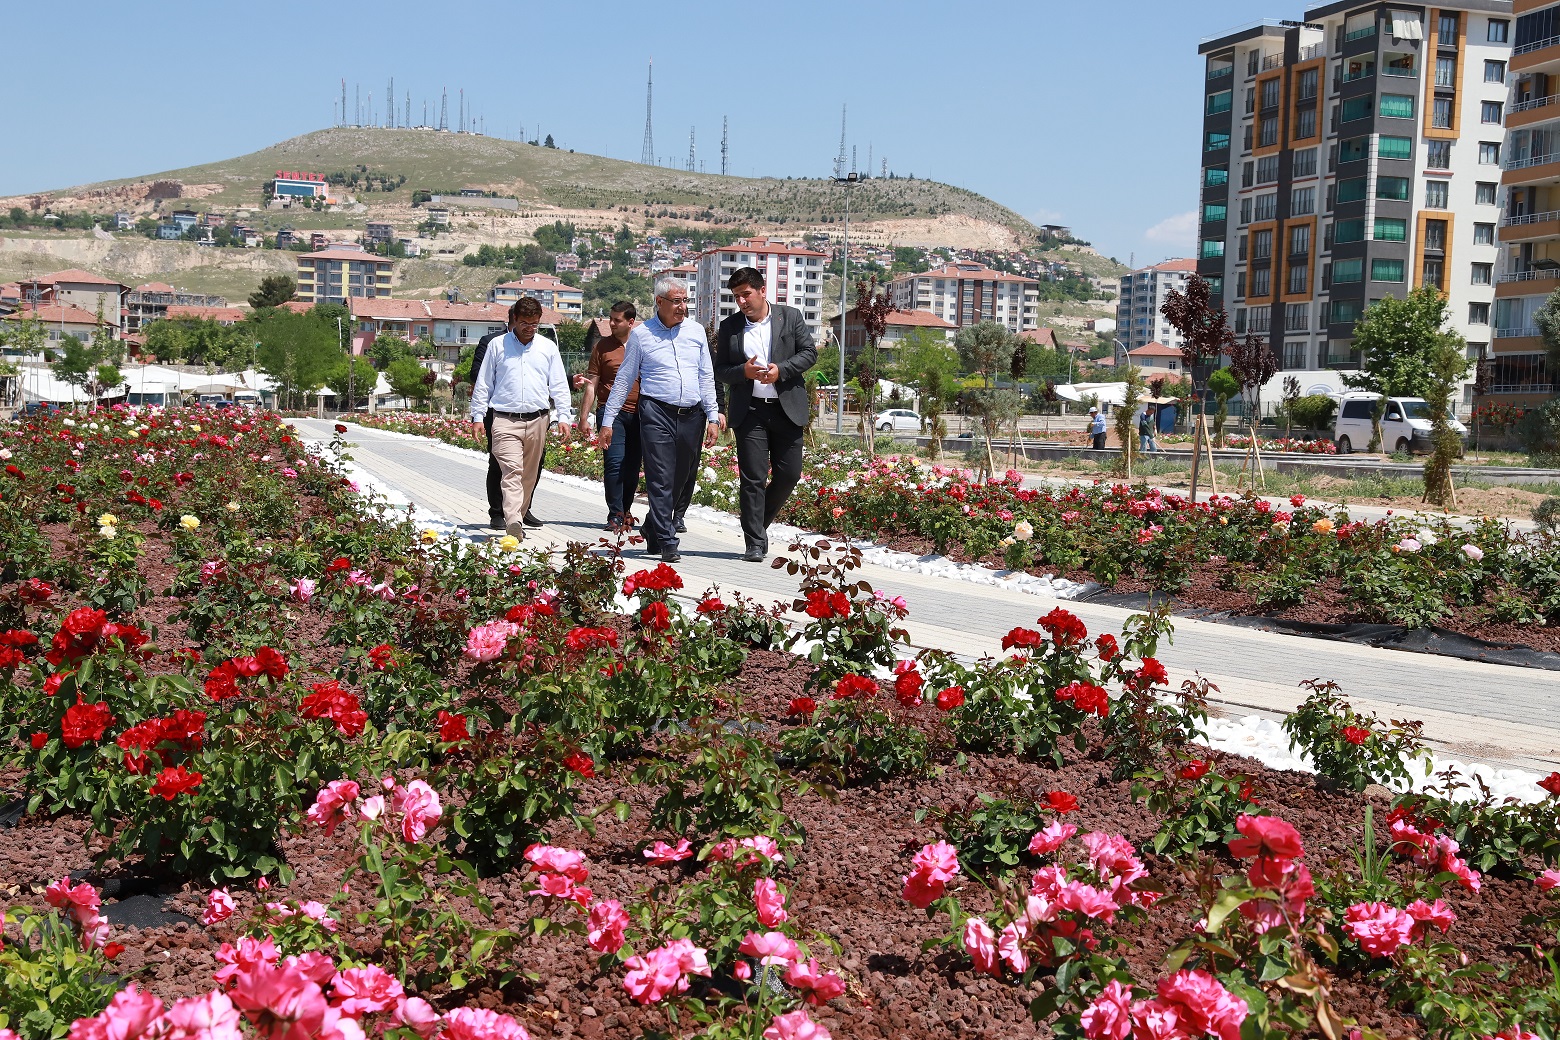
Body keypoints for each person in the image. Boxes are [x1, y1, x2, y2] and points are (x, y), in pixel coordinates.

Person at [598, 277, 719, 564]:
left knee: (681, 477)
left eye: (685, 300)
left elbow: (706, 375)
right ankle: (667, 539)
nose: (682, 306)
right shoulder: (642, 335)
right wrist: (608, 420)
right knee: (660, 477)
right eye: (676, 301)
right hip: (655, 413)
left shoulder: (696, 331)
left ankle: (653, 525)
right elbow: (625, 378)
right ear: (659, 302)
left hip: (692, 414)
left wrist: (713, 415)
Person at [714, 266, 817, 561]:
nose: (742, 301)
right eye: (736, 296)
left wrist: (780, 370)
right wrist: (743, 372)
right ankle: (755, 543)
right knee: (753, 479)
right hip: (750, 413)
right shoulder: (730, 327)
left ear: (762, 291)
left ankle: (758, 524)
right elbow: (720, 370)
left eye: (746, 294)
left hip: (787, 410)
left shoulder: (791, 316)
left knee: (789, 475)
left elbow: (809, 353)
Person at [468, 298, 574, 541]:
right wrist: (477, 415)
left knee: (529, 474)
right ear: (514, 319)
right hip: (504, 419)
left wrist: (564, 416)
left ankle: (517, 514)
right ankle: (514, 521)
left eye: (535, 324)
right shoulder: (497, 346)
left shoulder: (547, 348)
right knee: (512, 471)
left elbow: (558, 385)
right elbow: (484, 384)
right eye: (525, 323)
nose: (530, 328)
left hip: (538, 420)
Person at [577, 303, 642, 531]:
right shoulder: (602, 347)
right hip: (610, 413)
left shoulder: (642, 344)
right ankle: (615, 513)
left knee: (632, 467)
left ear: (631, 322)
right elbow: (592, 385)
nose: (612, 324)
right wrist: (584, 417)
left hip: (640, 414)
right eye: (611, 319)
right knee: (614, 464)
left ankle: (625, 510)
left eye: (617, 320)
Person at [672, 323, 727, 534]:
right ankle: (661, 512)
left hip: (696, 413)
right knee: (665, 463)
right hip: (663, 412)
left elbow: (713, 380)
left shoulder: (701, 345)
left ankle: (678, 514)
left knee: (689, 464)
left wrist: (718, 410)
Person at [467, 328, 507, 530]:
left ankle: (521, 509)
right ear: (514, 319)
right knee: (498, 462)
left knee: (531, 465)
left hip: (531, 415)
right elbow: (476, 374)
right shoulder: (491, 342)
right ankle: (497, 512)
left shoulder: (539, 344)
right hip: (496, 411)